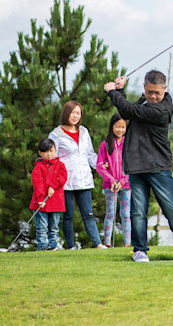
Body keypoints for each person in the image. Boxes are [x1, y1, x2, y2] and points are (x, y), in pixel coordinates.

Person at [103, 70, 173, 263]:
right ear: (144, 87)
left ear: (164, 90)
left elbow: (131, 111)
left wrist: (112, 92)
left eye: (157, 92)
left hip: (158, 166)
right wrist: (121, 91)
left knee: (172, 210)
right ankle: (140, 250)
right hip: (137, 167)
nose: (153, 96)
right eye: (150, 92)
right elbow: (128, 111)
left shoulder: (163, 109)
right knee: (138, 212)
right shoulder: (145, 102)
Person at [49, 101, 104, 249]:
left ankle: (98, 244)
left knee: (89, 214)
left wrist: (102, 167)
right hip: (65, 182)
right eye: (73, 112)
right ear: (66, 113)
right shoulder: (56, 134)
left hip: (84, 179)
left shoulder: (84, 132)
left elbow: (90, 155)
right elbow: (52, 159)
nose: (75, 116)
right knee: (68, 217)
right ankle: (71, 247)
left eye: (78, 113)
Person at [96, 113, 131, 248]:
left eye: (123, 127)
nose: (120, 130)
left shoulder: (128, 145)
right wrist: (111, 180)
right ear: (112, 127)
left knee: (126, 214)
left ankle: (127, 243)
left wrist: (122, 181)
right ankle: (107, 243)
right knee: (110, 213)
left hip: (126, 185)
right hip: (110, 186)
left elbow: (132, 166)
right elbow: (99, 166)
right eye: (117, 127)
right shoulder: (104, 145)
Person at [29, 138, 68, 251]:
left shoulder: (60, 165)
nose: (49, 154)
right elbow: (38, 185)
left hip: (56, 202)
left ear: (55, 151)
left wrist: (53, 186)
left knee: (54, 226)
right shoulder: (38, 167)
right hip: (41, 203)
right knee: (42, 227)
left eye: (51, 151)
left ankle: (53, 246)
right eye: (46, 152)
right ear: (40, 153)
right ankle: (42, 246)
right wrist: (41, 199)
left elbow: (62, 178)